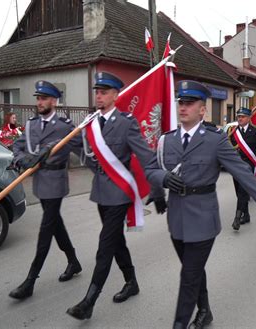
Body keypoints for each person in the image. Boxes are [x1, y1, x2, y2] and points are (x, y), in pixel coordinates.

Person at [144, 80, 256, 329]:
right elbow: (150, 168)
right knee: (193, 270)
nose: (183, 107)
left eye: (190, 103)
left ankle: (180, 324)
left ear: (203, 110)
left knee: (188, 275)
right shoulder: (166, 140)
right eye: (181, 102)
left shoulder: (215, 140)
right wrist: (162, 178)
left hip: (203, 218)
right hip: (177, 218)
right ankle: (205, 311)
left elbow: (244, 173)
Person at [66, 72, 166, 320]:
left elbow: (146, 155)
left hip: (120, 192)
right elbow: (82, 149)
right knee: (116, 241)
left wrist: (156, 186)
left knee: (105, 245)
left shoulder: (126, 122)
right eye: (96, 92)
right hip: (101, 190)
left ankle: (89, 301)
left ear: (115, 95)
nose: (98, 96)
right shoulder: (90, 122)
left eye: (103, 92)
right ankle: (131, 282)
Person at [9, 81, 82, 300]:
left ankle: (30, 280)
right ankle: (73, 261)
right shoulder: (31, 124)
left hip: (56, 182)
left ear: (53, 101)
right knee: (55, 224)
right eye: (37, 98)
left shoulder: (65, 126)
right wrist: (23, 159)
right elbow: (18, 146)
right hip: (40, 181)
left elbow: (85, 146)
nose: (39, 102)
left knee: (46, 229)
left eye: (43, 98)